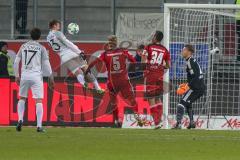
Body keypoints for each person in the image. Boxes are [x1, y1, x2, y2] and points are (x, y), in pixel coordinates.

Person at [86, 35, 144, 127]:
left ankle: (117, 120)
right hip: (123, 80)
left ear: (109, 43)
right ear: (116, 42)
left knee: (114, 102)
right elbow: (133, 60)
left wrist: (87, 69)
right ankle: (137, 117)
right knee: (131, 99)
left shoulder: (105, 54)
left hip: (112, 83)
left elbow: (95, 62)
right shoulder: (123, 51)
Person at [47, 19, 104, 94]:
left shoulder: (48, 38)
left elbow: (55, 49)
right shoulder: (58, 33)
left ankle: (83, 83)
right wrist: (79, 51)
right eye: (58, 25)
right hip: (71, 53)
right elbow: (68, 43)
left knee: (78, 72)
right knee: (86, 69)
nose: (59, 26)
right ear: (54, 25)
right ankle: (98, 88)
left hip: (64, 57)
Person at [14, 28, 54, 132]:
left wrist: (16, 75)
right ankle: (39, 126)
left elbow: (16, 62)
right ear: (39, 37)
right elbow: (46, 63)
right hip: (36, 76)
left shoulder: (23, 46)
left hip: (25, 75)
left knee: (22, 98)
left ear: (30, 35)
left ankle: (20, 119)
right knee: (38, 100)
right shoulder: (41, 48)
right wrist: (50, 76)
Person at [141, 31, 171, 129]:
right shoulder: (165, 50)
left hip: (150, 75)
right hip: (160, 76)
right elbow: (168, 65)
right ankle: (160, 120)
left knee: (151, 99)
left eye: (153, 35)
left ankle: (157, 122)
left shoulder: (148, 47)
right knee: (158, 98)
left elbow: (143, 60)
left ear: (155, 37)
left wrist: (146, 67)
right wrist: (161, 65)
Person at [173, 44, 206, 129]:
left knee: (181, 103)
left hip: (196, 87)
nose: (182, 52)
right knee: (188, 103)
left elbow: (197, 75)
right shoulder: (190, 61)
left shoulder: (190, 61)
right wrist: (187, 84)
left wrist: (188, 86)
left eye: (184, 50)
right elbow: (194, 76)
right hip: (199, 87)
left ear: (189, 52)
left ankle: (178, 124)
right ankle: (191, 122)